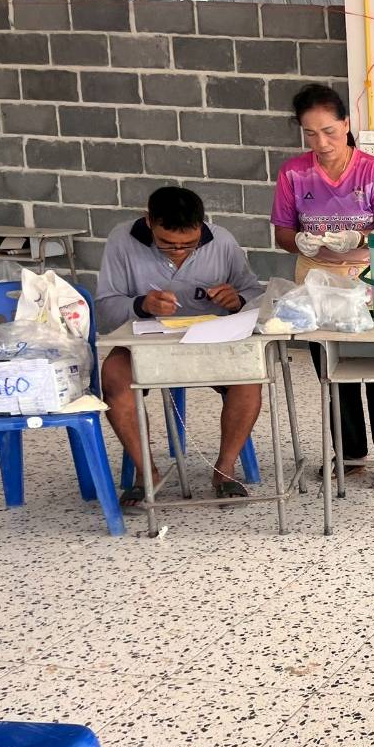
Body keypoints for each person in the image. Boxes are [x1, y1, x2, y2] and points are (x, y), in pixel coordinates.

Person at [271, 83, 374, 489]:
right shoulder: (294, 173)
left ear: (346, 124)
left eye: (329, 131)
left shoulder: (372, 171)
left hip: (366, 277)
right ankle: (349, 454)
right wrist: (299, 240)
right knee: (331, 368)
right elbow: (282, 232)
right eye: (310, 133)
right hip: (316, 280)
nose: (322, 142)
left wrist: (359, 238)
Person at [95, 186, 263, 507]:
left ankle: (225, 469)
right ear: (149, 222)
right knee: (114, 376)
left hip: (212, 340)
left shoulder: (221, 240)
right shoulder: (122, 240)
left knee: (250, 375)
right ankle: (147, 473)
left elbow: (254, 293)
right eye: (167, 244)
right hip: (146, 342)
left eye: (189, 244)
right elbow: (105, 307)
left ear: (201, 226)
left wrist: (237, 300)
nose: (178, 251)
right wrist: (142, 304)